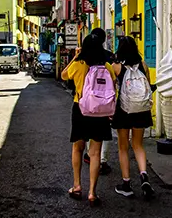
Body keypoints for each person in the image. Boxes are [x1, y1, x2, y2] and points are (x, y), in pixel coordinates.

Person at [61, 35, 116, 206]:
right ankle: (93, 192)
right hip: (100, 112)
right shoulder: (106, 67)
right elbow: (113, 87)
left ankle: (77, 186)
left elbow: (63, 75)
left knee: (77, 148)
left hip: (81, 110)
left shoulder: (78, 65)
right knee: (95, 153)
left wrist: (75, 57)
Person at [111, 36, 155, 199]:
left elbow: (111, 88)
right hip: (142, 110)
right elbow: (148, 87)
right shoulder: (143, 66)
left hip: (124, 110)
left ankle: (126, 184)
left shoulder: (116, 67)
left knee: (123, 146)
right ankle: (144, 176)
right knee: (138, 145)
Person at [81, 27, 116, 175]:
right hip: (105, 104)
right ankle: (102, 160)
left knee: (89, 134)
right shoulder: (108, 59)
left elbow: (68, 77)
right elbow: (114, 82)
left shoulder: (83, 61)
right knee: (104, 134)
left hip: (88, 105)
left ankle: (90, 155)